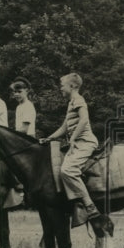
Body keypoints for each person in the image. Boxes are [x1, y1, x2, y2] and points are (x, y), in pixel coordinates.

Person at [40, 73, 102, 227]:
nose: (60, 88)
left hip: (85, 142)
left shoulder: (79, 100)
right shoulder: (71, 102)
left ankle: (89, 206)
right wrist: (49, 138)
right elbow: (64, 127)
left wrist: (73, 138)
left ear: (72, 86)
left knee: (67, 170)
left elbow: (84, 120)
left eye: (62, 85)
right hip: (78, 142)